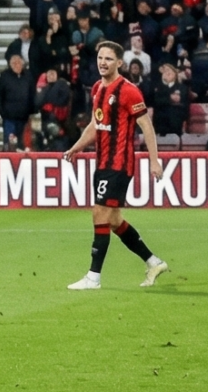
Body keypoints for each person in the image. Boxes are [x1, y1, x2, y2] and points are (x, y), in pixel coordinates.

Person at [61, 42, 169, 291]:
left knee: (99, 214)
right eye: (100, 58)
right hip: (102, 163)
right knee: (113, 220)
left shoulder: (129, 91)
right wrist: (77, 147)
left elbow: (147, 127)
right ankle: (154, 262)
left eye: (109, 59)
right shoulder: (98, 88)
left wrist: (154, 160)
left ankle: (93, 277)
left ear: (119, 63)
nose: (103, 62)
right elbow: (95, 125)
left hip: (119, 165)